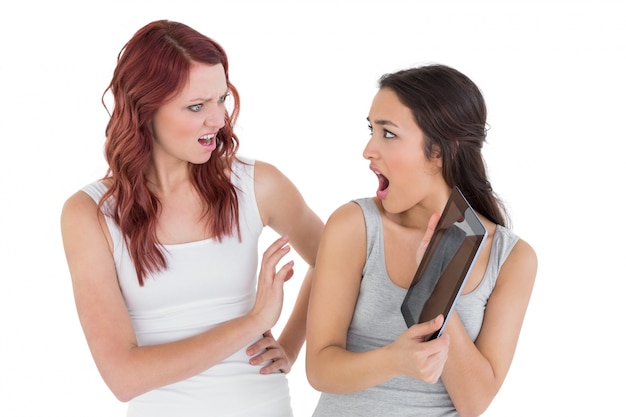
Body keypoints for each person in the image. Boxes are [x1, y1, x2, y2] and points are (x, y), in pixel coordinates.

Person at [60, 20, 323, 417]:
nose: (217, 120)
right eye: (196, 107)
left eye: (221, 99)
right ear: (144, 111)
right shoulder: (90, 215)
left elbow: (342, 262)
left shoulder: (257, 185)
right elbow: (123, 377)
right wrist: (254, 321)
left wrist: (290, 344)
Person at [305, 64, 537, 417]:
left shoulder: (511, 258)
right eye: (372, 130)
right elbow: (320, 369)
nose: (369, 149)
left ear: (443, 150)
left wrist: (435, 281)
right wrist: (394, 360)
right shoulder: (354, 226)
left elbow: (474, 402)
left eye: (389, 134)